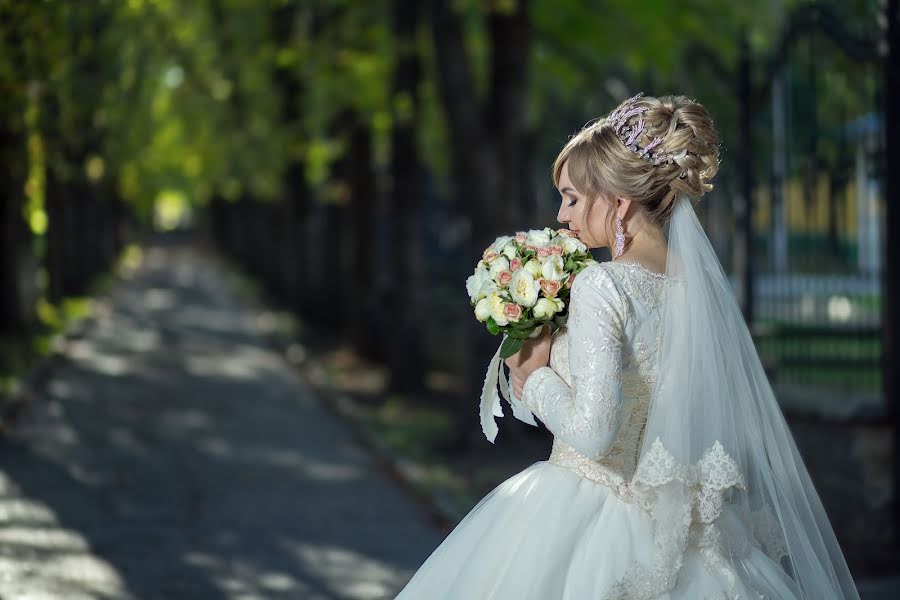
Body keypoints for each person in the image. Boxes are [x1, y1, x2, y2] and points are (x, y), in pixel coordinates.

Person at [395, 93, 859, 599]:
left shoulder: (604, 286)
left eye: (572, 197)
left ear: (618, 201)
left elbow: (594, 435)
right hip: (678, 528)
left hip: (588, 509)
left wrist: (536, 378)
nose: (561, 213)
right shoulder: (697, 290)